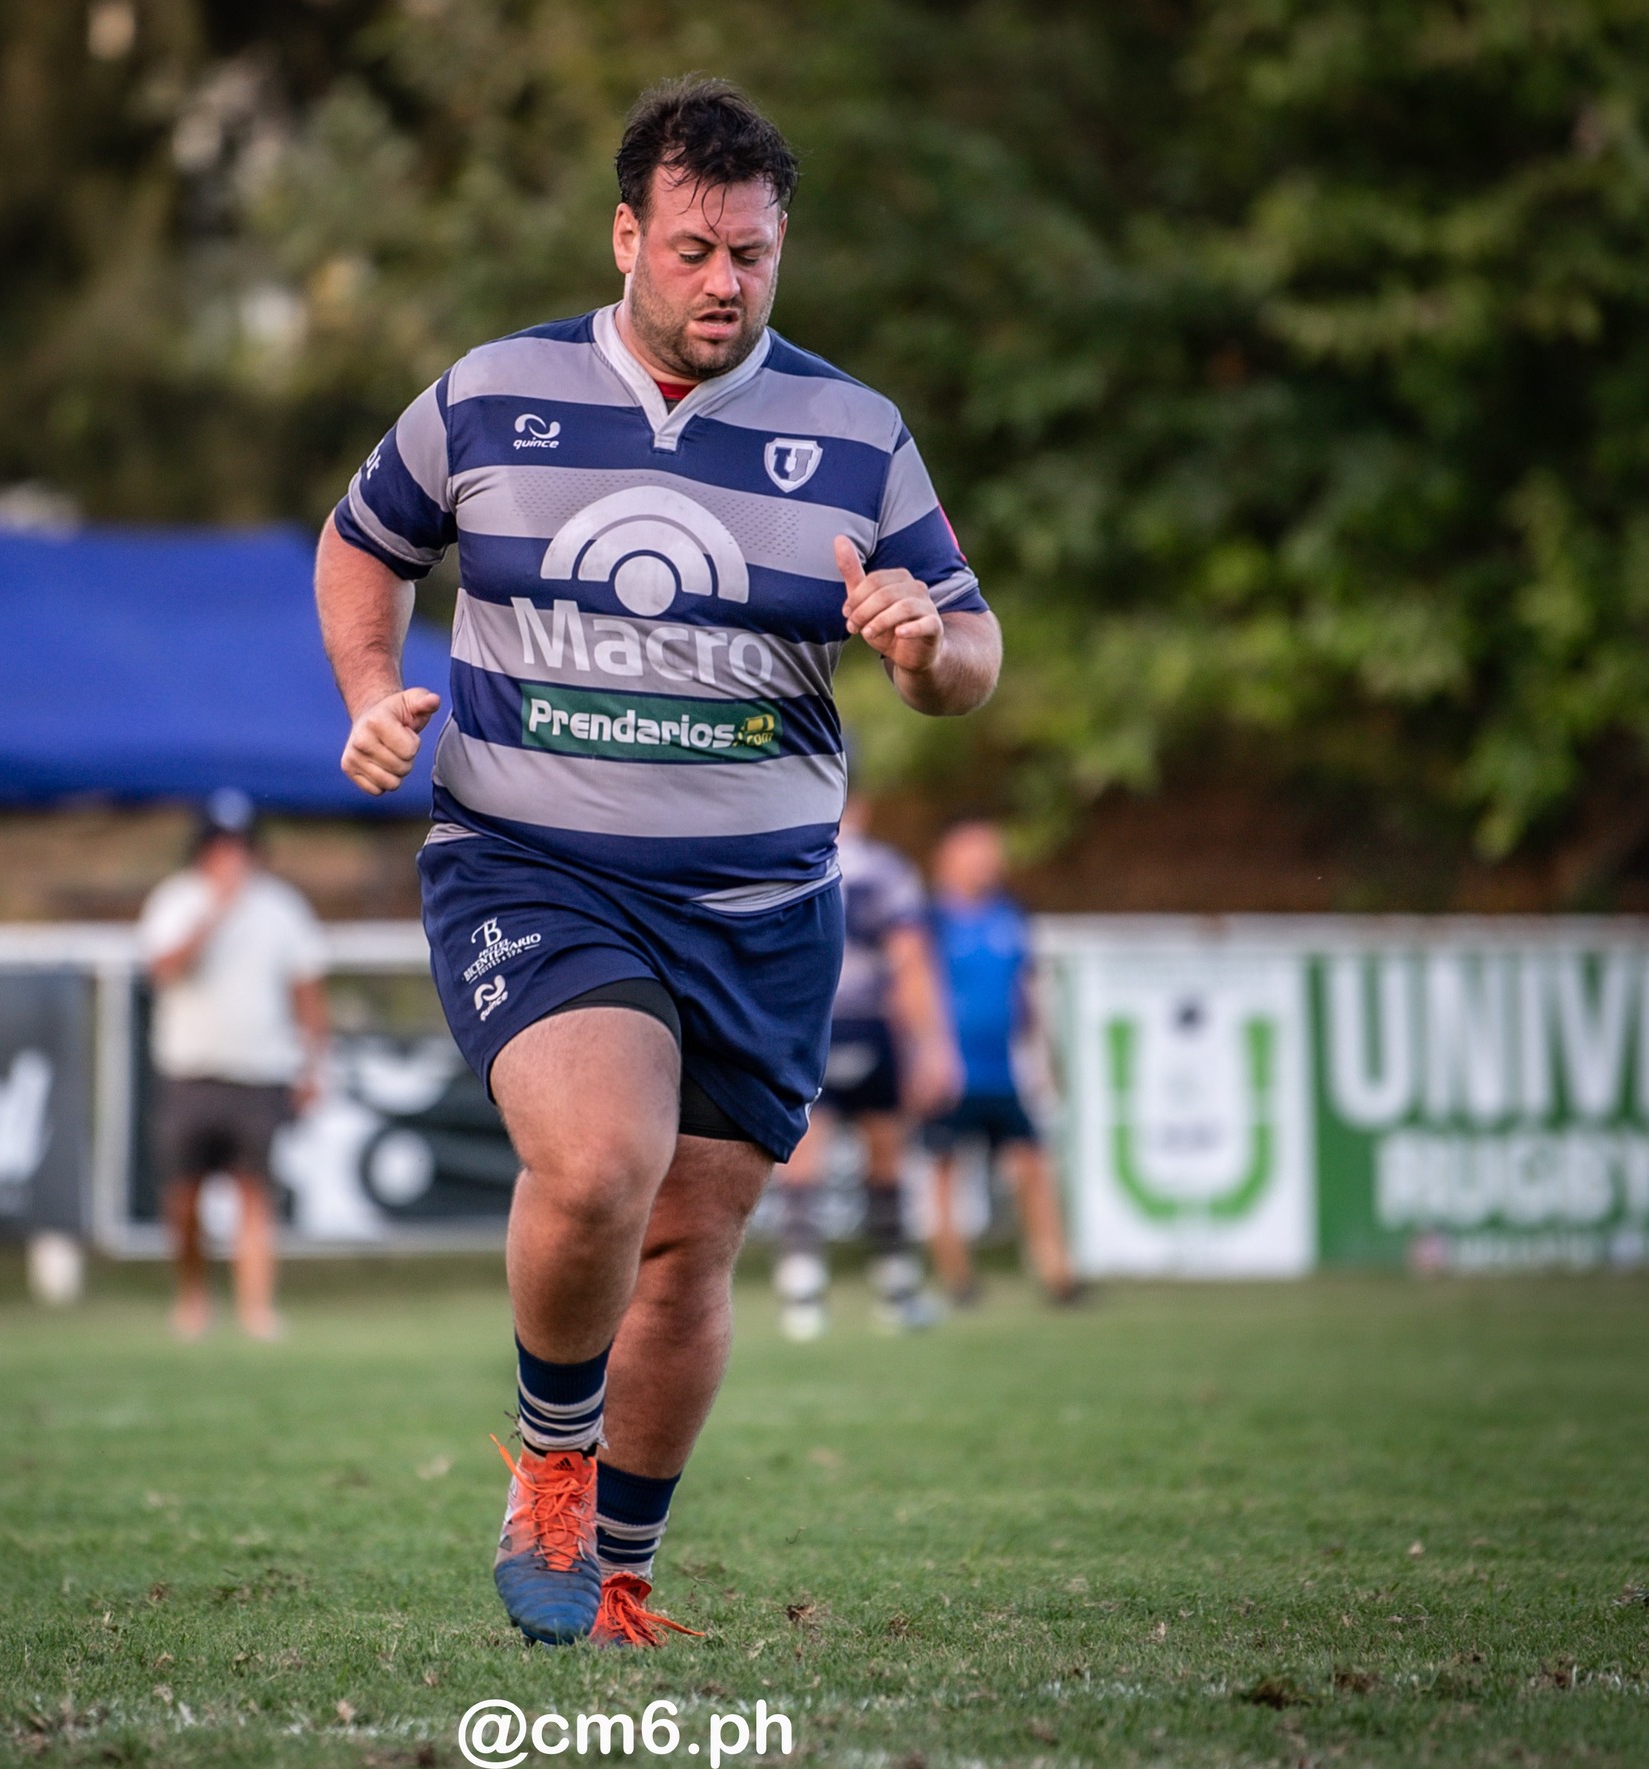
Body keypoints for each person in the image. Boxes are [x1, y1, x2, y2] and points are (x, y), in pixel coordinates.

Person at [315, 77, 1002, 1647]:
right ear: (625, 238)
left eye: (753, 254)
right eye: (694, 249)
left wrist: (922, 649)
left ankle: (617, 1572)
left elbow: (972, 652)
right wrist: (368, 693)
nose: (725, 282)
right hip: (532, 866)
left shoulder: (855, 431)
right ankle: (552, 1463)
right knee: (598, 1163)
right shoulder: (493, 394)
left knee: (691, 1252)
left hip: (761, 910)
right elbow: (364, 539)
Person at [138, 788, 330, 1341]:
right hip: (191, 1072)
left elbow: (307, 994)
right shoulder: (175, 900)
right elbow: (162, 969)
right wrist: (214, 913)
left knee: (254, 1192)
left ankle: (255, 1309)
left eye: (240, 845)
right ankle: (192, 1299)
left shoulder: (283, 907)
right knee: (184, 1197)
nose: (231, 857)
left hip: (260, 1072)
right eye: (220, 845)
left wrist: (314, 1067)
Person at [772, 794, 959, 1339]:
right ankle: (895, 1290)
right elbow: (909, 958)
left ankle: (802, 1295)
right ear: (862, 804)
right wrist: (930, 1045)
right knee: (886, 1154)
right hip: (869, 1023)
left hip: (806, 1022)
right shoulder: (884, 868)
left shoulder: (781, 856)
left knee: (802, 1157)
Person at [922, 819, 1081, 1306]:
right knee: (945, 1172)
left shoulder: (1011, 916)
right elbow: (915, 990)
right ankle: (957, 1280)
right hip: (951, 1073)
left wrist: (1040, 1056)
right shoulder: (930, 920)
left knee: (1033, 1167)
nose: (985, 861)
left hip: (1004, 1072)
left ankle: (1058, 1275)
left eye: (991, 852)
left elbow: (1026, 992)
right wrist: (927, 1054)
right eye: (974, 851)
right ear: (947, 857)